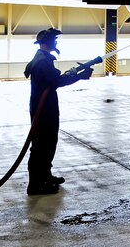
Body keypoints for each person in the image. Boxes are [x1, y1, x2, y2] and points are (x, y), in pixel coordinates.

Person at [23, 28, 94, 196]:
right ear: (48, 42)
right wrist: (80, 76)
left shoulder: (43, 58)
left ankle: (45, 176)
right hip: (43, 110)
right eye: (54, 40)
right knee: (41, 146)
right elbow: (56, 81)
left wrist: (75, 73)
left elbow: (55, 79)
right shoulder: (41, 62)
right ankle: (35, 185)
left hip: (47, 108)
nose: (56, 42)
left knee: (48, 144)